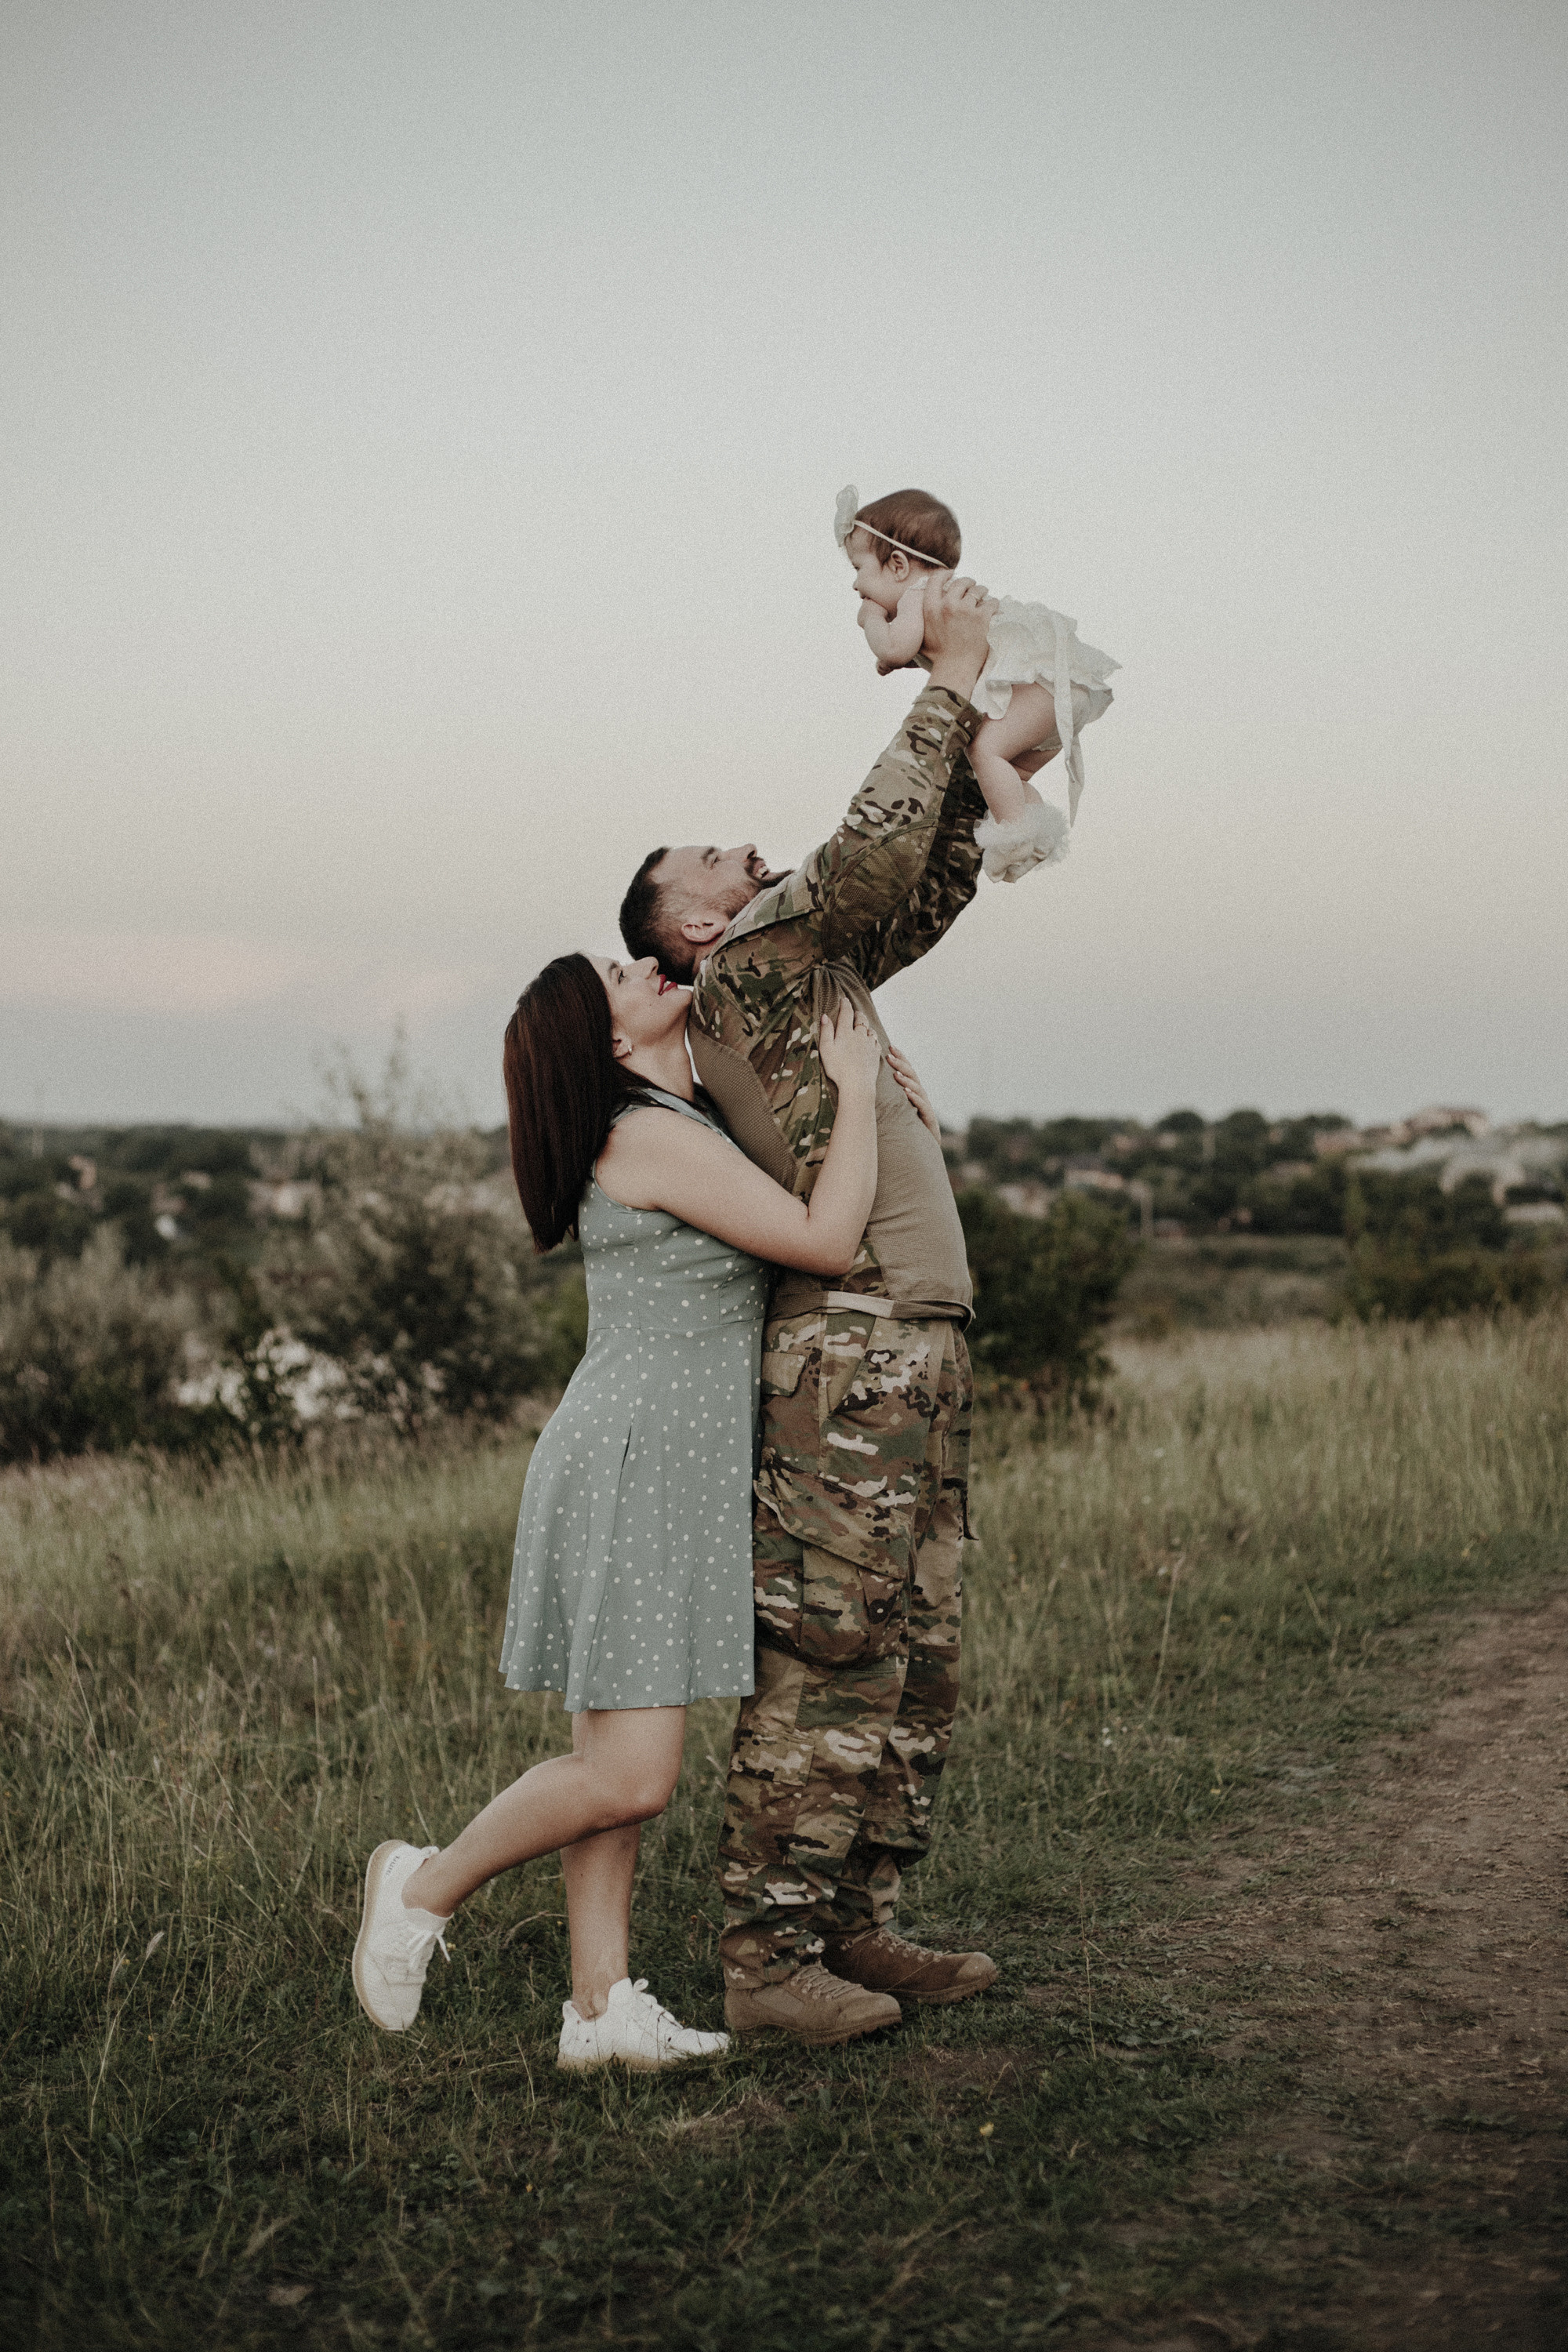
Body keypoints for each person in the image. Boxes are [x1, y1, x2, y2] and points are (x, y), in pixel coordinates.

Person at [351, 951, 888, 2071]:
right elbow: (828, 1242)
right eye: (620, 971)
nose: (647, 963)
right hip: (640, 1463)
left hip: (651, 1462)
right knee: (633, 1773)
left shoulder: (662, 1114)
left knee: (615, 1758)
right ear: (605, 1040)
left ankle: (601, 2012)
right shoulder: (646, 1134)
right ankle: (423, 1884)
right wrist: (859, 1084)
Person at [617, 570, 1007, 2049]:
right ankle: (766, 1963)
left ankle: (856, 1923)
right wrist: (947, 680)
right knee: (833, 1652)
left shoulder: (805, 966)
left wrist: (980, 777)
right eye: (712, 855)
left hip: (912, 1345)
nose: (743, 845)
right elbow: (863, 856)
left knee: (913, 1653)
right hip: (851, 1356)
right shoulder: (759, 967)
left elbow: (919, 878)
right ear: (695, 930)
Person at [835, 484, 1119, 884]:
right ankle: (1036, 833)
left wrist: (872, 622)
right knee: (1008, 777)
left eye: (858, 570)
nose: (855, 586)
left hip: (1041, 689)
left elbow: (896, 648)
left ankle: (1014, 841)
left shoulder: (918, 594)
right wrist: (900, 662)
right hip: (1050, 695)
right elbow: (944, 655)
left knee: (985, 749)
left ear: (898, 565)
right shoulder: (941, 599)